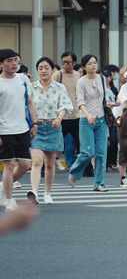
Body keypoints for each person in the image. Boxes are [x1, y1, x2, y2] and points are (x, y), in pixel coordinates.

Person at [26, 57, 73, 205]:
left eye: (46, 67)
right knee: (37, 161)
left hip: (53, 127)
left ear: (52, 70)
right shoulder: (31, 87)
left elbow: (66, 105)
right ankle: (34, 192)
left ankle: (48, 193)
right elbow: (26, 106)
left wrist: (59, 118)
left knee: (50, 164)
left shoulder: (59, 87)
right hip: (37, 128)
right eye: (40, 68)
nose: (43, 70)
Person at [67, 54, 109, 192]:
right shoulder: (81, 82)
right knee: (87, 152)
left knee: (101, 154)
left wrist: (112, 104)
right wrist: (88, 115)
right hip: (86, 120)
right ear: (84, 66)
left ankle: (99, 183)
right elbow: (80, 102)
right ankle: (74, 172)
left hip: (101, 120)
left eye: (95, 62)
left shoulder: (102, 78)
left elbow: (103, 99)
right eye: (90, 63)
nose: (93, 65)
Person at [0, 49, 35, 211]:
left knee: (25, 164)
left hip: (22, 128)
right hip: (4, 129)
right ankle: (8, 199)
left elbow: (29, 102)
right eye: (9, 61)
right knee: (9, 165)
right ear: (1, 64)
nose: (14, 63)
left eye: (15, 60)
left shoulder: (23, 79)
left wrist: (34, 123)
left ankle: (3, 186)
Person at [53, 51, 81, 169]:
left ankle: (84, 168)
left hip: (76, 115)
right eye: (64, 62)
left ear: (74, 63)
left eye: (68, 62)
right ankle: (47, 166)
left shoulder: (78, 75)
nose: (66, 65)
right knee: (55, 143)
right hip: (62, 116)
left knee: (80, 144)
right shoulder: (58, 75)